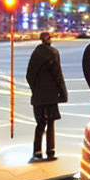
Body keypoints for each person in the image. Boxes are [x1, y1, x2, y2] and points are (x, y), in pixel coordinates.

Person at [26, 32, 68, 160]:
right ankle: (51, 151)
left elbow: (29, 76)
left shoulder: (35, 54)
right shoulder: (53, 53)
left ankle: (37, 151)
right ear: (49, 40)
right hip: (51, 94)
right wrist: (63, 93)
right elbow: (58, 75)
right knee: (50, 123)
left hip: (38, 95)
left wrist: (35, 89)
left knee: (40, 124)